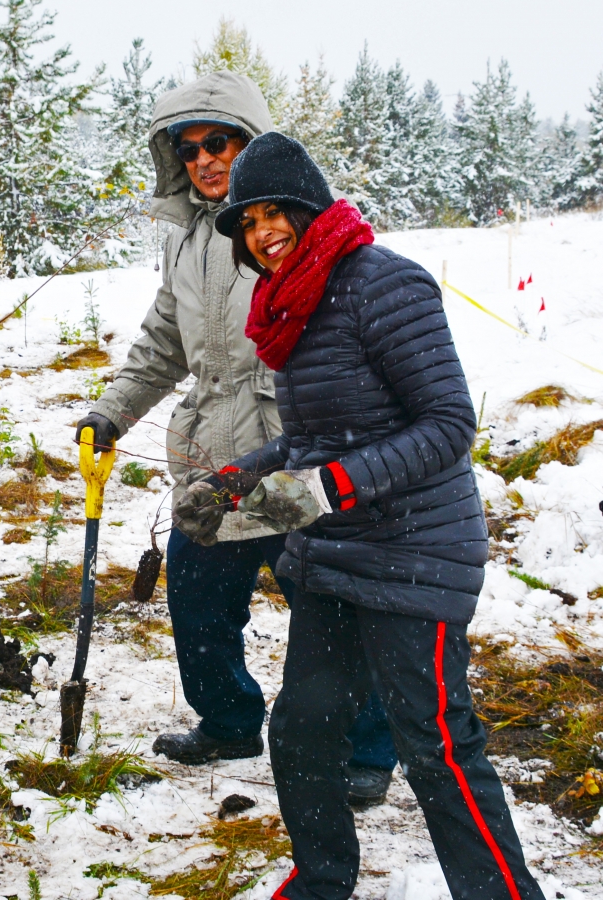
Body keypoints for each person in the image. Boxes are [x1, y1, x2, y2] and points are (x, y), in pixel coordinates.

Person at [200, 131, 544, 900]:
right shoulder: (292, 303)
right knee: (301, 728)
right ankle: (322, 879)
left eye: (273, 213)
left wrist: (329, 488)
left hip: (416, 551)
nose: (261, 233)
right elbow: (318, 436)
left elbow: (449, 423)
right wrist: (238, 477)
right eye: (246, 222)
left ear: (310, 209)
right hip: (335, 555)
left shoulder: (383, 283)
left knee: (435, 745)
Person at [74, 73, 396, 802]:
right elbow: (162, 340)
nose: (204, 160)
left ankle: (368, 750)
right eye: (187, 149)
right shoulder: (186, 239)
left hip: (295, 461)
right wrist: (112, 411)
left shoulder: (297, 224)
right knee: (195, 598)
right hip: (212, 462)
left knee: (335, 611)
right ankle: (227, 722)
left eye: (218, 142)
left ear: (252, 140)